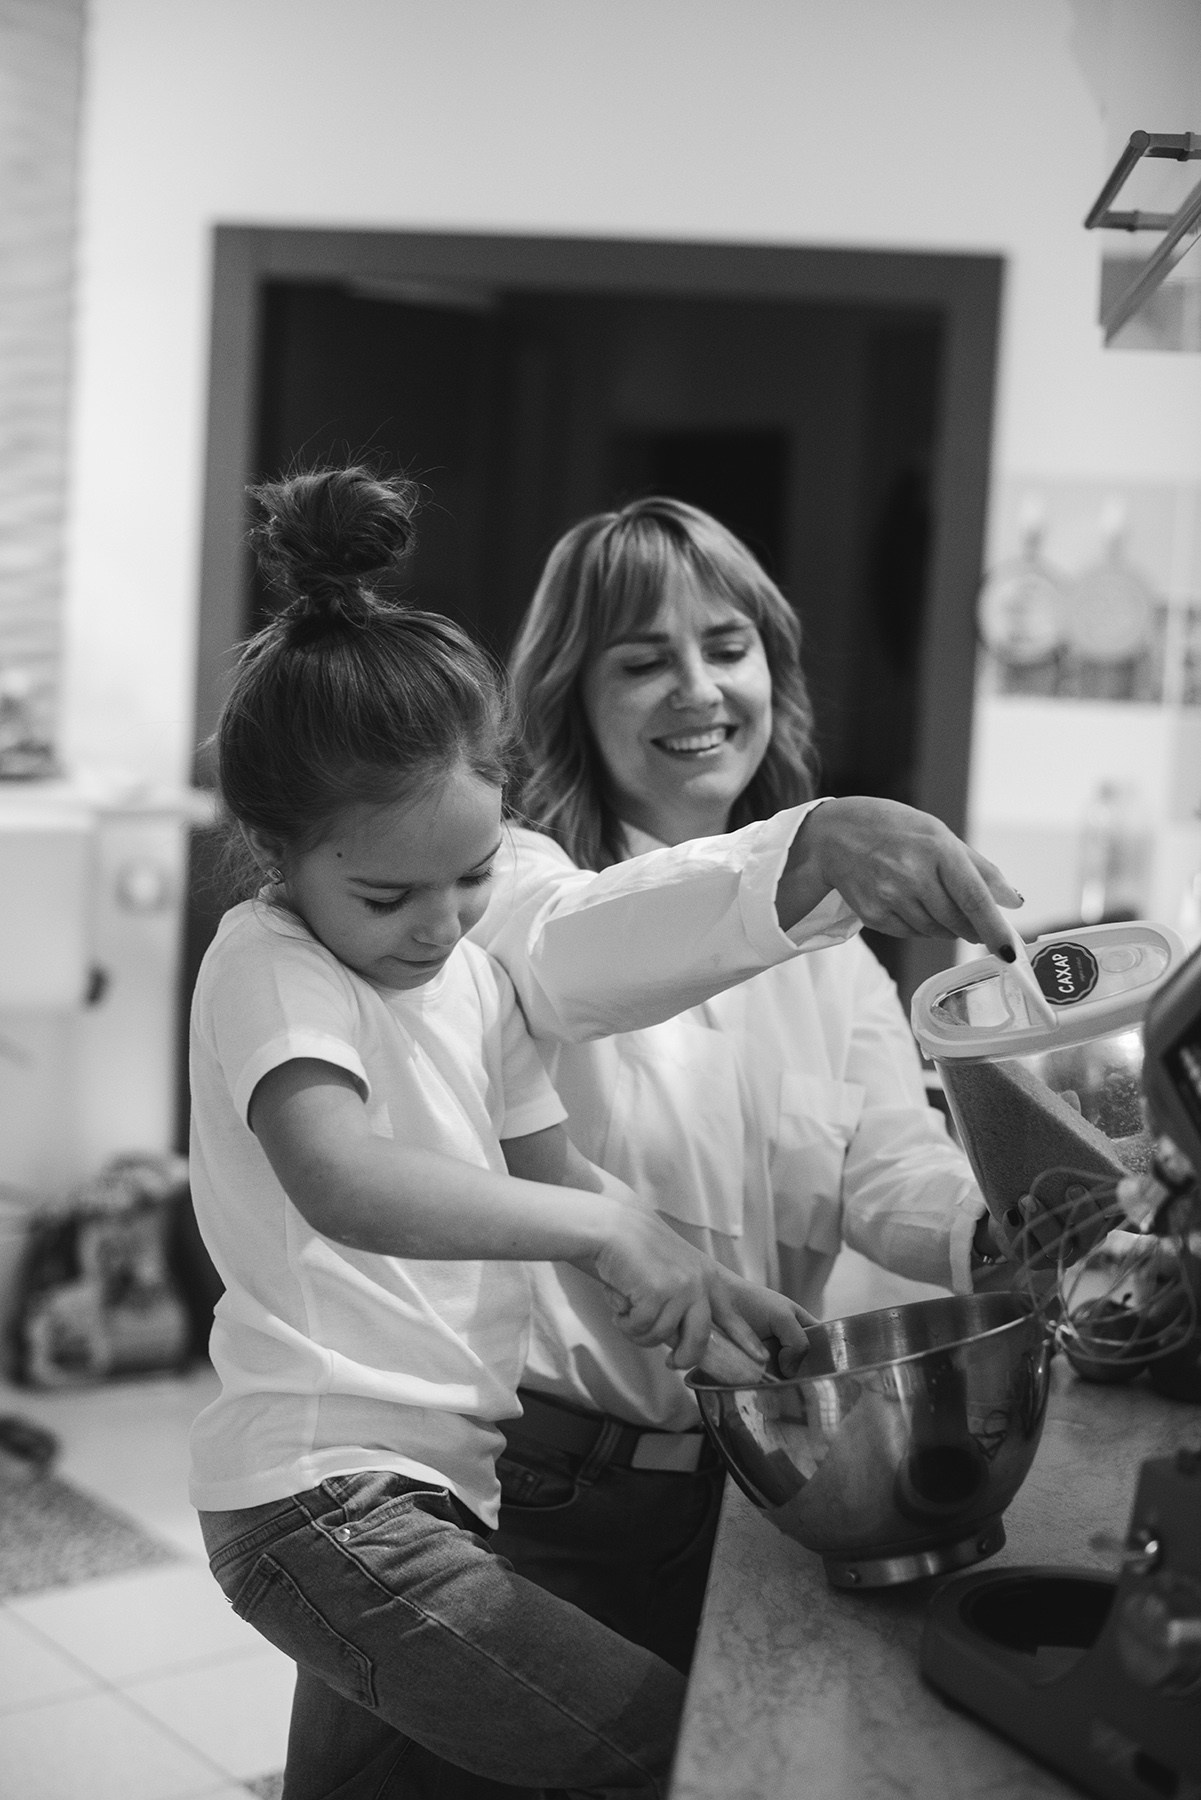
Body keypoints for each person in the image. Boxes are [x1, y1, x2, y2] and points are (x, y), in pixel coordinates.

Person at [186, 467, 814, 1800]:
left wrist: (704, 1288)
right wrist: (611, 1228)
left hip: (439, 1489)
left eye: (473, 876)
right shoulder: (273, 961)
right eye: (386, 891)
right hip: (320, 1500)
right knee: (669, 1751)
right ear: (278, 855)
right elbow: (343, 1181)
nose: (437, 922)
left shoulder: (471, 977)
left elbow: (554, 1174)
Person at [474, 496, 1026, 1674]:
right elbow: (572, 957)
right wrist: (813, 845)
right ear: (570, 692)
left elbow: (888, 1164)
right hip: (539, 1501)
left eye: (727, 649)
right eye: (641, 662)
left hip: (762, 1483)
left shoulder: (830, 957)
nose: (698, 690)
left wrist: (1010, 1229)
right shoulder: (512, 881)